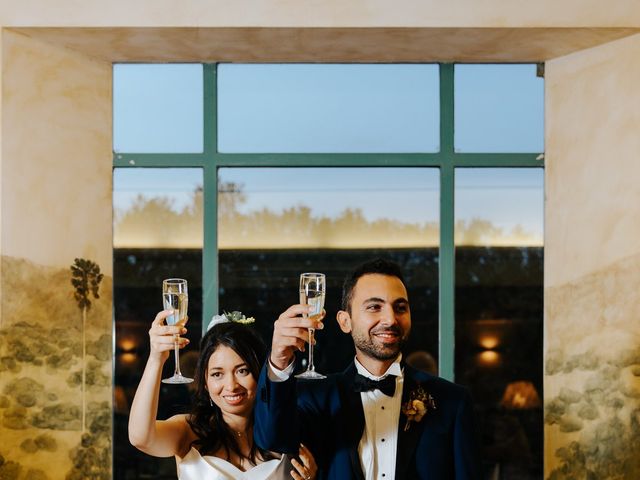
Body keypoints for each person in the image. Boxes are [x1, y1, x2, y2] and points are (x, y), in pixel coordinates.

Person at [254, 258, 479, 479]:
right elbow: (273, 439)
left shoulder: (453, 402)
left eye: (400, 307)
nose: (390, 319)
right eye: (374, 307)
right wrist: (280, 360)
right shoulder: (315, 397)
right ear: (345, 321)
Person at [128, 310, 318, 480]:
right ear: (205, 381)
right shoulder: (187, 430)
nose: (231, 386)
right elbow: (140, 438)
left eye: (242, 371)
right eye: (217, 374)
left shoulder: (287, 429)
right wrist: (156, 358)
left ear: (259, 373)